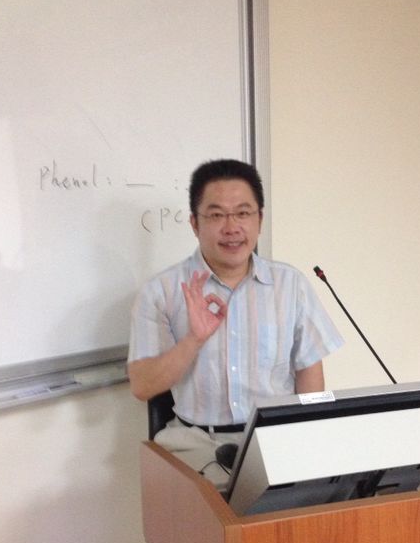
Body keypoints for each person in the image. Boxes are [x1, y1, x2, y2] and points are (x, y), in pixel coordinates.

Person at [128, 159, 344, 486]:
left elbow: (309, 372)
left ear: (260, 220)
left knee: (337, 494)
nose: (231, 227)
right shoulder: (161, 292)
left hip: (275, 440)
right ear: (195, 224)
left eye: (243, 213)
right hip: (197, 446)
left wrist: (308, 436)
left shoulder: (291, 285)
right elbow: (142, 386)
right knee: (217, 508)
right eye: (216, 215)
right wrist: (193, 340)